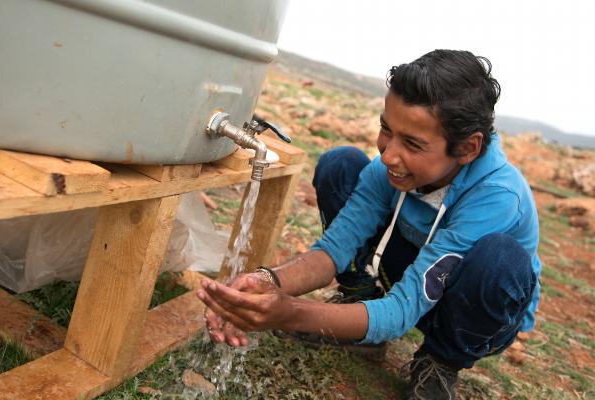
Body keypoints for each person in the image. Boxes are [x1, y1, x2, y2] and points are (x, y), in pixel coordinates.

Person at [196, 49, 541, 400]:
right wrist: (269, 281)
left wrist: (290, 314)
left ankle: (442, 360)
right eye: (386, 130)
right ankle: (359, 301)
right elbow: (333, 250)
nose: (389, 154)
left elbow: (404, 310)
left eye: (412, 144)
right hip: (413, 268)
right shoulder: (389, 168)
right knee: (341, 164)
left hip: (472, 306)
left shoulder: (497, 197)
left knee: (500, 258)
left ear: (467, 148)